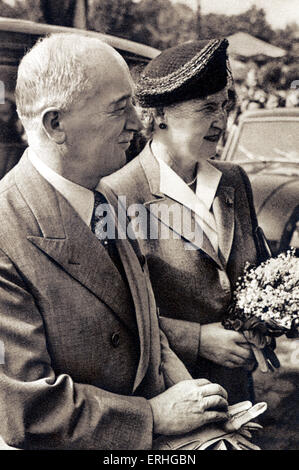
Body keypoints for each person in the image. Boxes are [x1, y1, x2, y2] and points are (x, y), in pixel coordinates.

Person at [0, 34, 230, 450]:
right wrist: (153, 417)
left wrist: (192, 395)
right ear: (56, 125)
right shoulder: (5, 231)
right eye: (119, 109)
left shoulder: (105, 197)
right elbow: (26, 409)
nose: (137, 124)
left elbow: (140, 316)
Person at [101, 39, 263, 405]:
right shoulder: (116, 196)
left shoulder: (234, 180)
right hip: (171, 401)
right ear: (159, 115)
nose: (222, 121)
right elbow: (112, 318)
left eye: (224, 106)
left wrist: (264, 323)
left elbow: (259, 274)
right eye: (207, 107)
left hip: (240, 392)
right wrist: (199, 339)